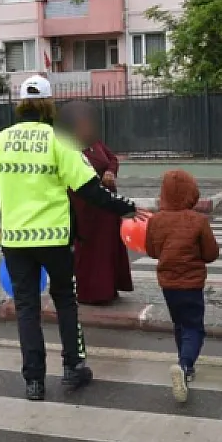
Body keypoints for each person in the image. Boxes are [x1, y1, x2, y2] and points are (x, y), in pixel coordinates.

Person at [0, 75, 142, 401]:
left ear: (20, 104)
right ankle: (73, 367)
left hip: (15, 242)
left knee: (27, 308)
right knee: (66, 301)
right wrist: (128, 208)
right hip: (54, 240)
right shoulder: (59, 142)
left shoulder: (1, 141)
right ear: (49, 105)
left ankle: (34, 382)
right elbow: (90, 190)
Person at [144, 169, 220, 404]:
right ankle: (185, 365)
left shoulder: (156, 220)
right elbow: (211, 253)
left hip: (168, 284)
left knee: (179, 324)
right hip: (192, 284)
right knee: (194, 327)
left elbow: (151, 251)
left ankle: (183, 362)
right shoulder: (198, 221)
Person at [58, 101, 133, 305]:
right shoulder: (69, 147)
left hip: (106, 205)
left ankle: (110, 289)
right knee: (89, 250)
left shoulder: (96, 143)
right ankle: (91, 293)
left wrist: (110, 171)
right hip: (86, 205)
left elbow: (112, 159)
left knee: (109, 248)